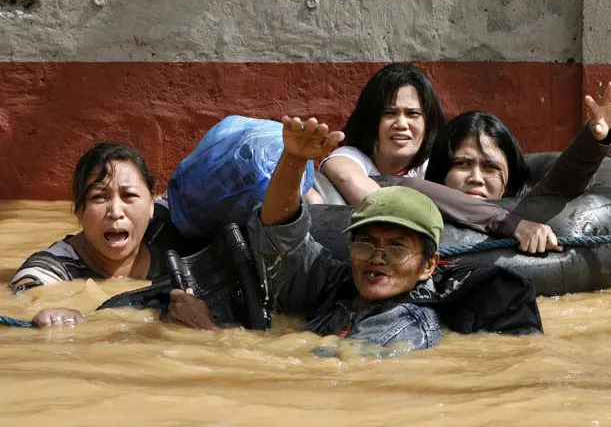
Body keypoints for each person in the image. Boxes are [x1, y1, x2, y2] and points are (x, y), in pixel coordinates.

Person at [166, 116, 543, 351]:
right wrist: (295, 160)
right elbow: (283, 235)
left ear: (429, 265)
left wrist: (210, 335)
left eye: (396, 247)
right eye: (366, 242)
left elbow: (307, 381)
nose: (377, 257)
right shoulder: (342, 285)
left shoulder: (403, 326)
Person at [402, 77, 611, 254]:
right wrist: (509, 224)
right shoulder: (415, 197)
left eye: (490, 168)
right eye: (462, 164)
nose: (476, 177)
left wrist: (594, 138)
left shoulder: (525, 208)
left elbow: (562, 184)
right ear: (441, 171)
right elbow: (408, 187)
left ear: (509, 178)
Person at [9, 142, 187, 327]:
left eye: (129, 196)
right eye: (99, 197)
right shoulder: (56, 266)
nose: (116, 212)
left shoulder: (167, 227)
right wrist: (50, 312)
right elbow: (24, 294)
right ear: (79, 211)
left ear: (151, 204)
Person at [319, 63, 445, 206]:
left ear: (428, 121)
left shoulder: (439, 164)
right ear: (370, 118)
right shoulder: (351, 158)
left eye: (412, 114)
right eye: (389, 113)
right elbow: (343, 174)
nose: (402, 124)